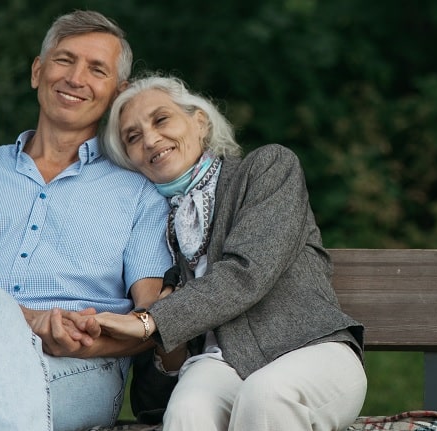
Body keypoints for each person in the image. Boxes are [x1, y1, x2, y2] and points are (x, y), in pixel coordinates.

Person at [0, 11, 173, 431]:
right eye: (64, 60)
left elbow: (150, 314)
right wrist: (30, 321)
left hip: (77, 367)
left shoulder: (140, 192)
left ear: (117, 94)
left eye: (96, 69)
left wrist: (81, 341)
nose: (76, 77)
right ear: (37, 71)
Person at [88, 74, 368, 430]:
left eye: (161, 119)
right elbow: (157, 383)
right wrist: (162, 343)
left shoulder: (267, 168)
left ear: (199, 122)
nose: (150, 138)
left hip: (310, 350)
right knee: (187, 410)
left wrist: (151, 321)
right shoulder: (149, 226)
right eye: (133, 137)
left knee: (266, 394)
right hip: (219, 365)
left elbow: (246, 273)